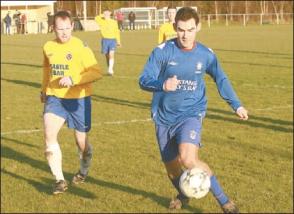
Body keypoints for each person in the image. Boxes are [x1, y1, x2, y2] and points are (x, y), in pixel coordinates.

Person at [139, 7, 248, 213]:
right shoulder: (162, 51)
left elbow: (221, 78)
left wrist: (236, 104)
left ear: (197, 27)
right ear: (174, 28)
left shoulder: (206, 54)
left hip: (191, 113)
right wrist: (162, 85)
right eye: (181, 30)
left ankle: (225, 202)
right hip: (163, 117)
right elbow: (143, 79)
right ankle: (183, 193)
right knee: (173, 170)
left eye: (190, 30)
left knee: (189, 159)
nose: (185, 35)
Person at [41, 10, 102, 195]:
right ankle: (59, 180)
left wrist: (73, 78)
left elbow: (96, 72)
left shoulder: (81, 47)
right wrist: (44, 89)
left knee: (81, 142)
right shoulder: (48, 46)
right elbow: (46, 69)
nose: (65, 32)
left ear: (72, 26)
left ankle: (84, 167)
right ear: (54, 28)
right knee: (49, 135)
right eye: (60, 29)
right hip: (56, 97)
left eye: (68, 28)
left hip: (79, 99)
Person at [95, 9, 121, 76]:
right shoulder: (101, 21)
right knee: (107, 56)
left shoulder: (114, 22)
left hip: (112, 40)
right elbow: (96, 18)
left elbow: (116, 31)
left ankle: (110, 69)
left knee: (111, 54)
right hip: (105, 40)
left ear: (110, 13)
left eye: (107, 12)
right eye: (104, 13)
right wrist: (102, 15)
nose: (106, 14)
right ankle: (109, 68)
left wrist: (118, 41)